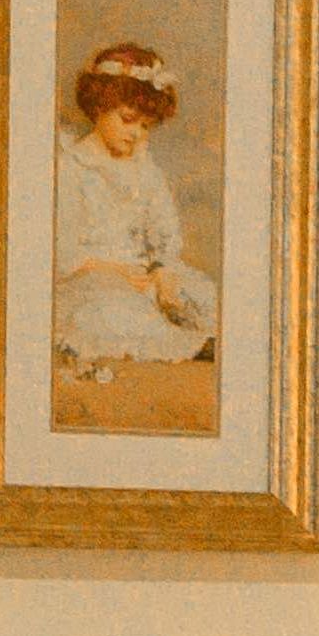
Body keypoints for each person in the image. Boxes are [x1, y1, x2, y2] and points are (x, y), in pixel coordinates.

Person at [54, 43, 219, 383]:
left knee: (200, 295)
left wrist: (161, 270)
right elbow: (62, 253)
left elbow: (163, 228)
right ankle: (180, 343)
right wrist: (117, 272)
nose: (135, 134)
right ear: (98, 108)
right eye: (128, 120)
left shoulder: (144, 168)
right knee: (110, 313)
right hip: (93, 279)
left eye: (145, 126)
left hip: (143, 277)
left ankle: (197, 333)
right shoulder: (72, 167)